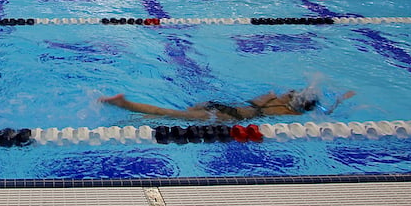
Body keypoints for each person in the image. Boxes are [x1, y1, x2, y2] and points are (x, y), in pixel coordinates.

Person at [100, 88, 355, 122]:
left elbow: (251, 101)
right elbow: (323, 114)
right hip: (224, 116)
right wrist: (336, 104)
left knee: (171, 116)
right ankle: (126, 105)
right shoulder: (283, 110)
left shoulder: (271, 98)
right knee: (169, 114)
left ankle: (130, 115)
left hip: (220, 106)